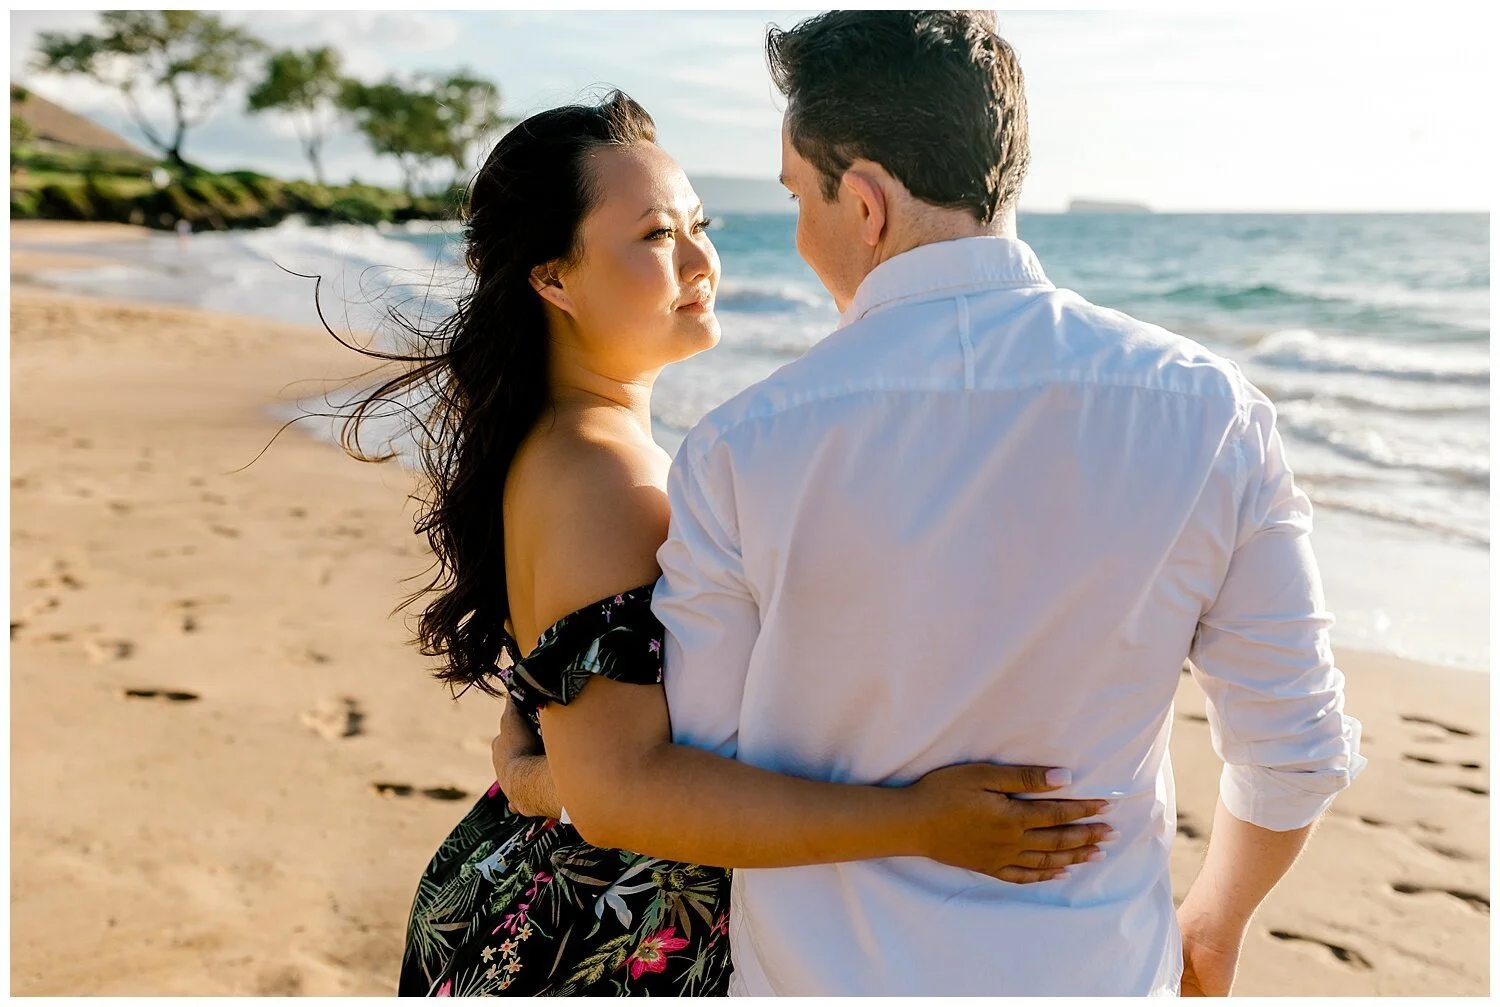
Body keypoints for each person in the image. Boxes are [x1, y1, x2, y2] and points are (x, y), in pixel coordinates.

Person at [640, 10, 1366, 997]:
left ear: (865, 203)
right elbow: (1297, 749)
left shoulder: (738, 446)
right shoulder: (1208, 411)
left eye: (798, 196)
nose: (800, 228)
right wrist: (1214, 922)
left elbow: (705, 768)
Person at [339, 91, 1115, 997]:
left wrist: (533, 775)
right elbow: (618, 793)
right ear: (553, 279)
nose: (701, 261)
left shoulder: (580, 447)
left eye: (699, 226)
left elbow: (584, 749)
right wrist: (920, 822)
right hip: (594, 937)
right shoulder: (603, 478)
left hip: (562, 894)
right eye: (656, 236)